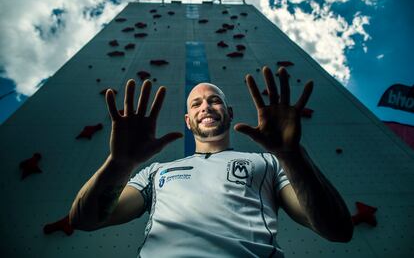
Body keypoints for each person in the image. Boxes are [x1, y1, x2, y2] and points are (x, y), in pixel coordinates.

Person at [69, 66, 353, 257]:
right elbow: (84, 220)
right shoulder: (156, 173)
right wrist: (119, 162)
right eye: (196, 103)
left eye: (214, 100)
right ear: (187, 121)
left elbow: (338, 230)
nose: (205, 106)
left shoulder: (268, 163)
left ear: (228, 113)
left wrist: (293, 154)